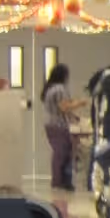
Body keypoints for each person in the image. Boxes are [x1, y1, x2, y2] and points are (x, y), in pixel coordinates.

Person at [42, 60, 75, 193]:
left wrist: (73, 116)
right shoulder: (60, 89)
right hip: (58, 125)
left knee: (60, 153)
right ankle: (58, 181)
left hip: (52, 124)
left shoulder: (51, 89)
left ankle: (59, 180)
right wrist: (80, 103)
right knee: (61, 153)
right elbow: (63, 107)